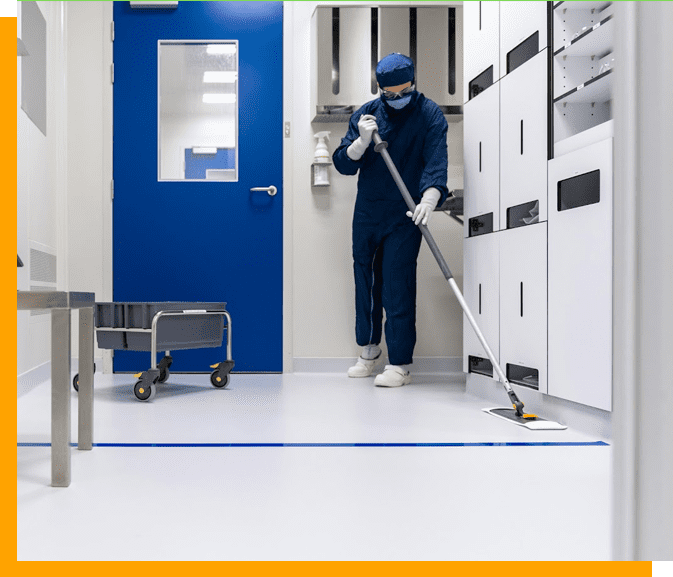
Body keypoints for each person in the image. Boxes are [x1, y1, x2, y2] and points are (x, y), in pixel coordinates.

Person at [332, 53, 449, 387]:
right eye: (390, 94)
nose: (398, 99)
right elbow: (343, 164)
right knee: (365, 280)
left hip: (405, 213)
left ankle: (399, 364)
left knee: (397, 283)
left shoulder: (429, 115)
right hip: (368, 212)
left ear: (413, 82)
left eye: (404, 91)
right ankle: (368, 352)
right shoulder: (365, 115)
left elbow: (436, 162)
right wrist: (361, 141)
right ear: (380, 89)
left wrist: (429, 198)